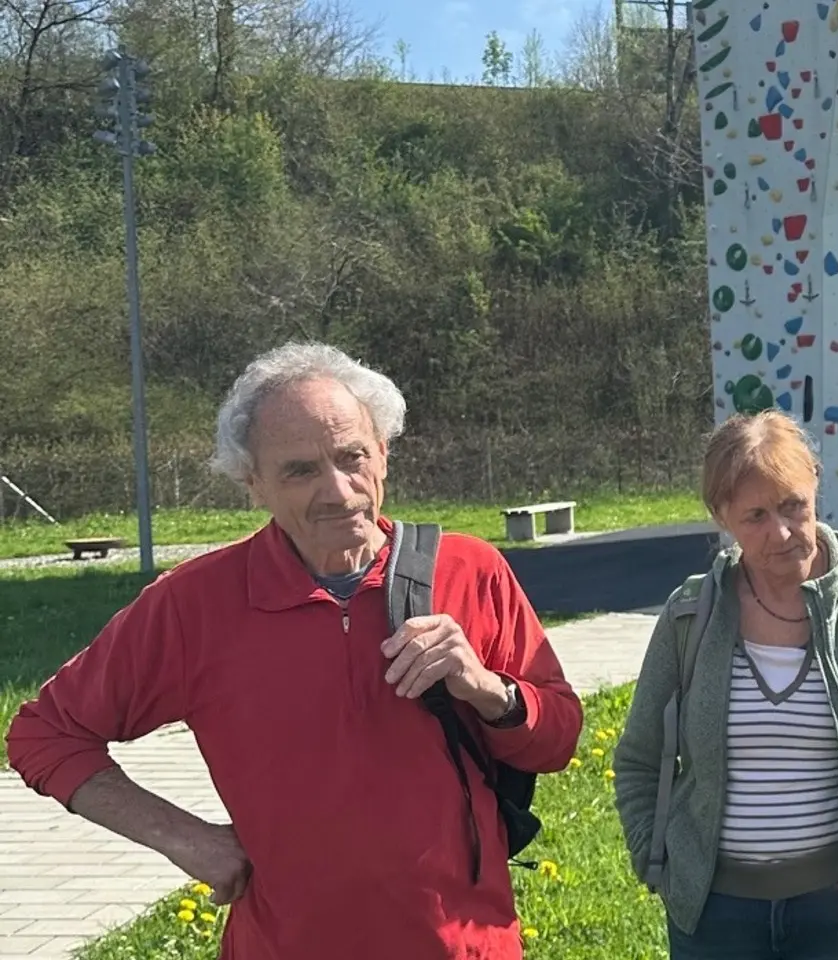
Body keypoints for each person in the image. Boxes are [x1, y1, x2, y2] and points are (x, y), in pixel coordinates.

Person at [5, 342, 584, 960]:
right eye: (300, 470)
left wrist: (488, 690)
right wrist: (184, 838)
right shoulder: (194, 604)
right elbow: (44, 736)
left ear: (384, 454)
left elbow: (558, 740)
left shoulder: (470, 570)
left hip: (466, 946)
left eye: (351, 456)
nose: (338, 490)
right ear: (252, 483)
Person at [613, 410, 838, 960]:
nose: (782, 533)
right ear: (721, 516)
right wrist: (663, 863)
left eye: (793, 505)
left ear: (815, 483)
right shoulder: (690, 615)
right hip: (714, 921)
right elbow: (640, 760)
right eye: (756, 516)